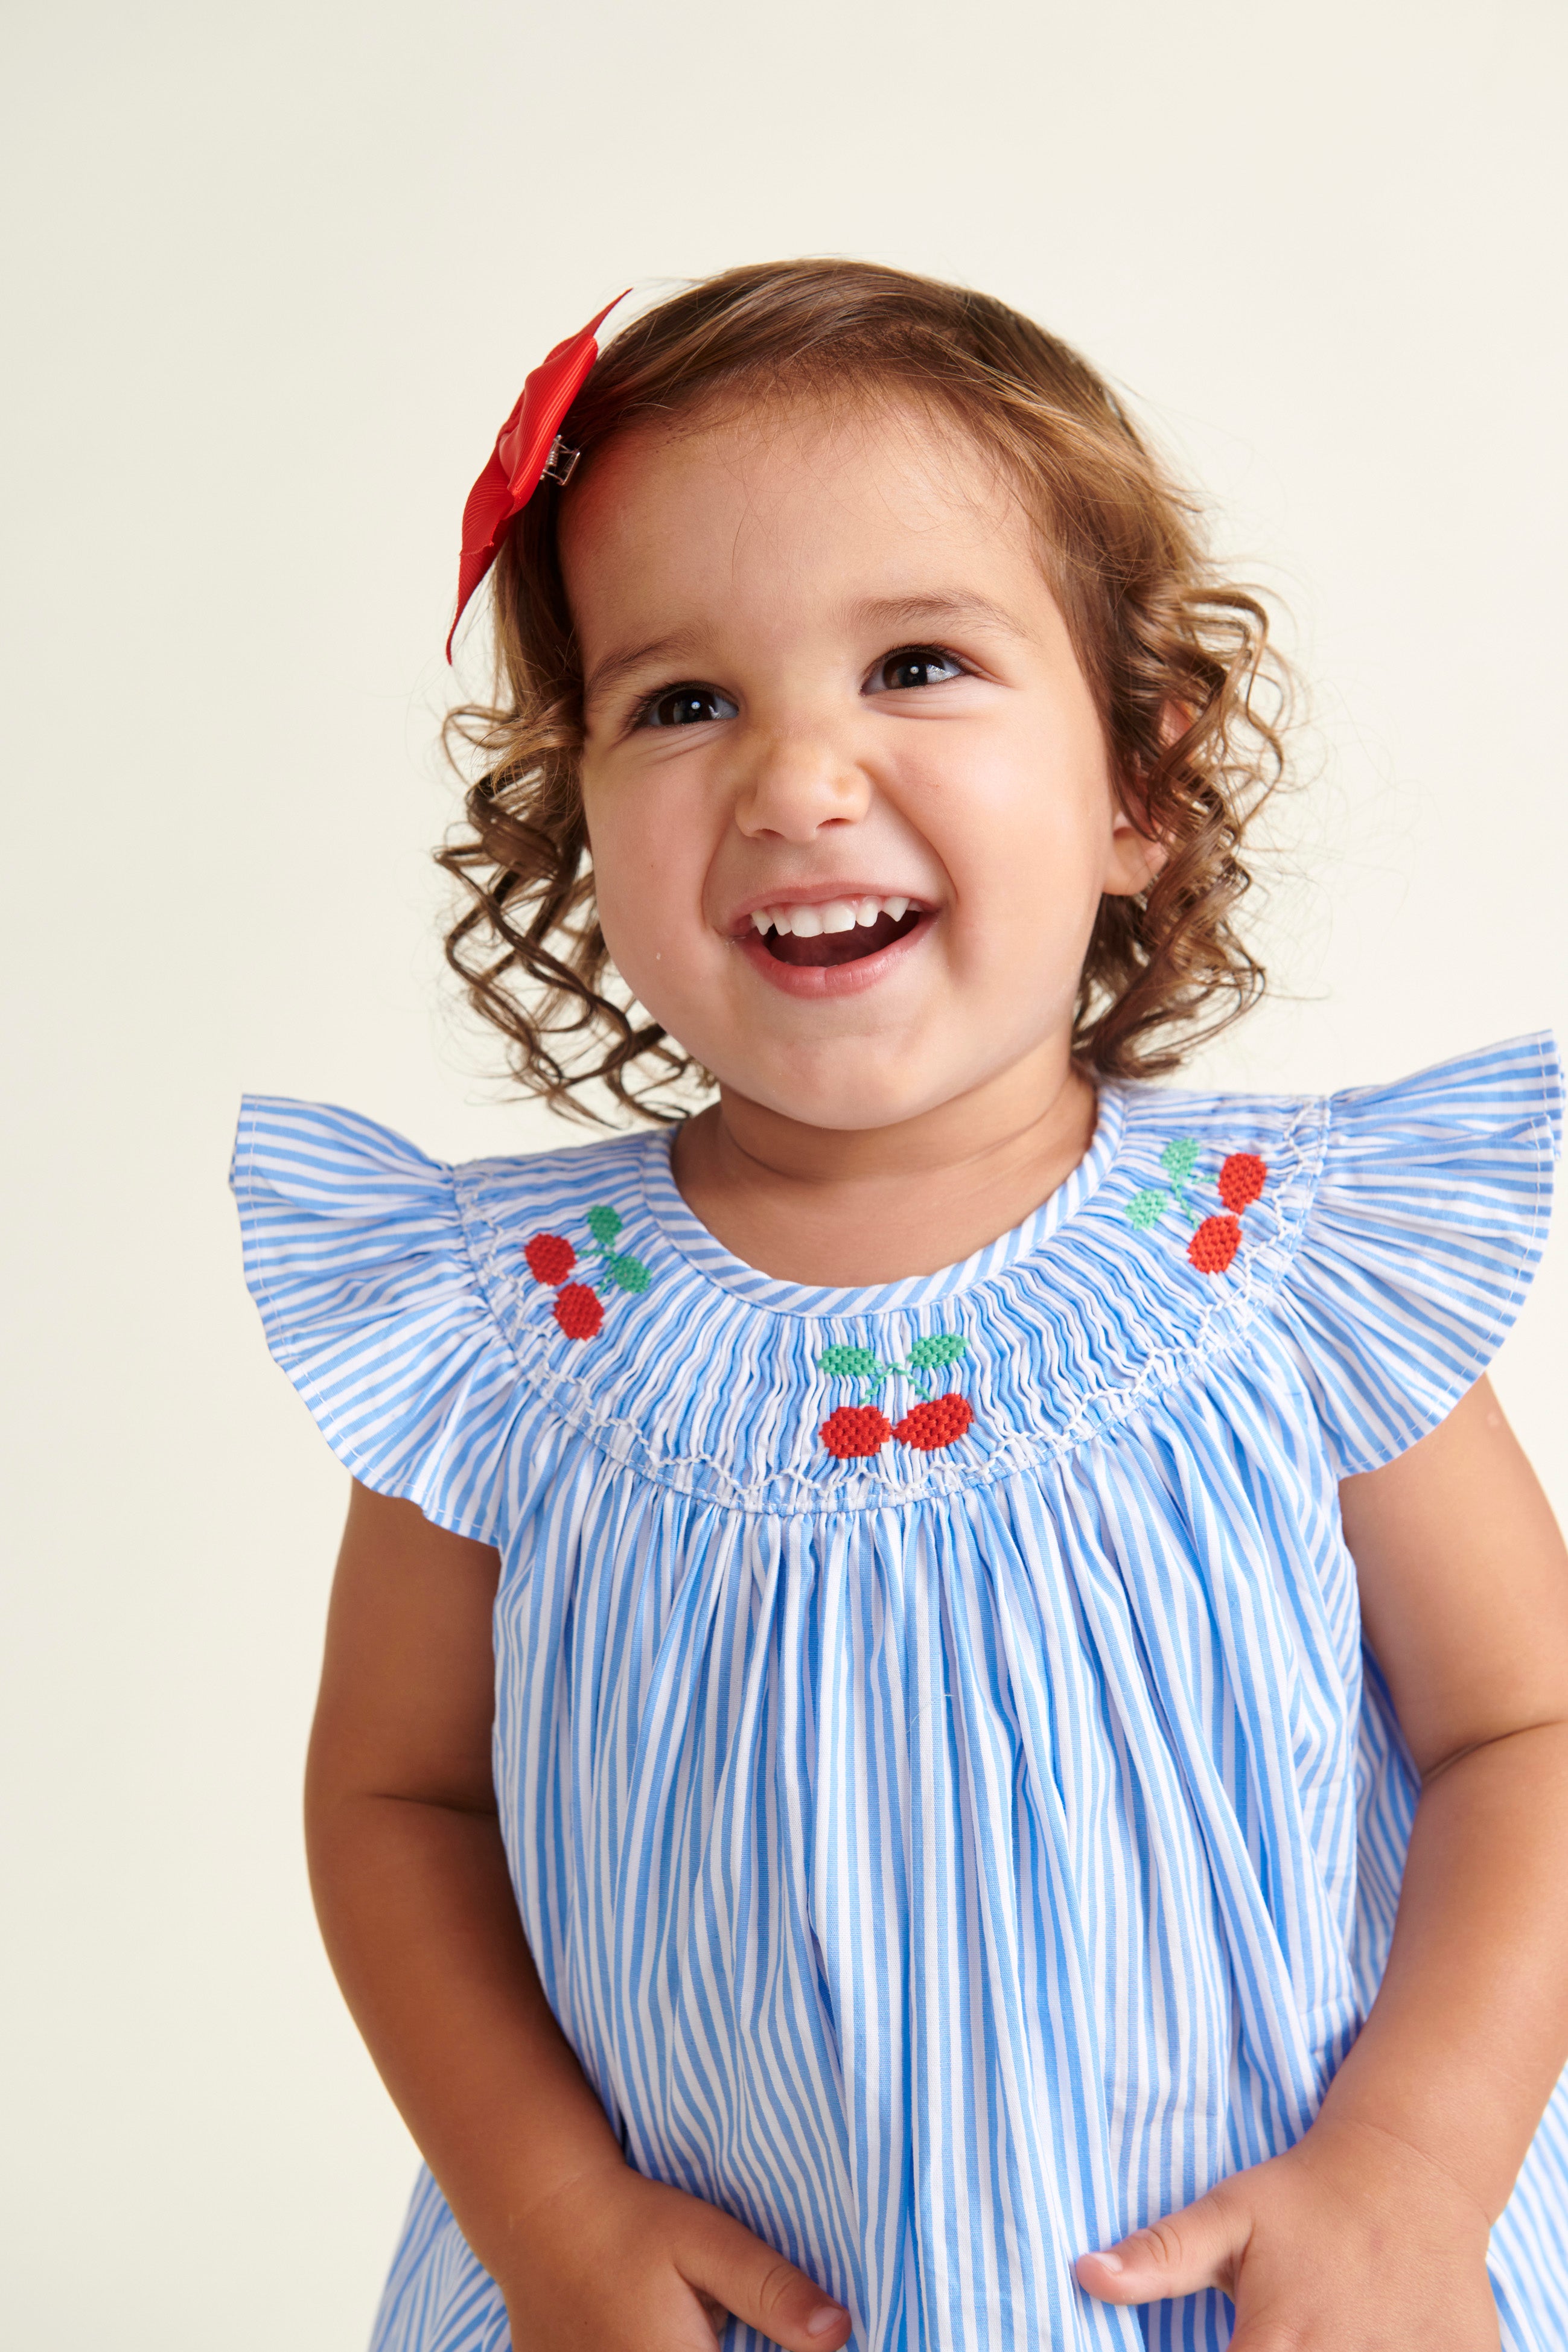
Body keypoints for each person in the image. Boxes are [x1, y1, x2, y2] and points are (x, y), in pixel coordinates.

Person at [232, 260, 1568, 2351]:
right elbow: (395, 1801)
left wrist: (1411, 2171)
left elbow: (1533, 1728)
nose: (796, 777)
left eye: (917, 663)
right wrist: (553, 2217)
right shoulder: (509, 1336)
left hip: (1275, 2291)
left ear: (1139, 780)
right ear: (576, 816)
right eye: (683, 702)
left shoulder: (1286, 1274)